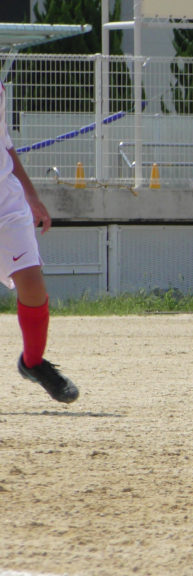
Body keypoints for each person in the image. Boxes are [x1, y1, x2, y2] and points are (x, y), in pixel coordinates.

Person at [0, 81, 79, 402]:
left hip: (6, 202)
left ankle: (32, 363)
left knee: (33, 287)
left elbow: (5, 143)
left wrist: (30, 195)